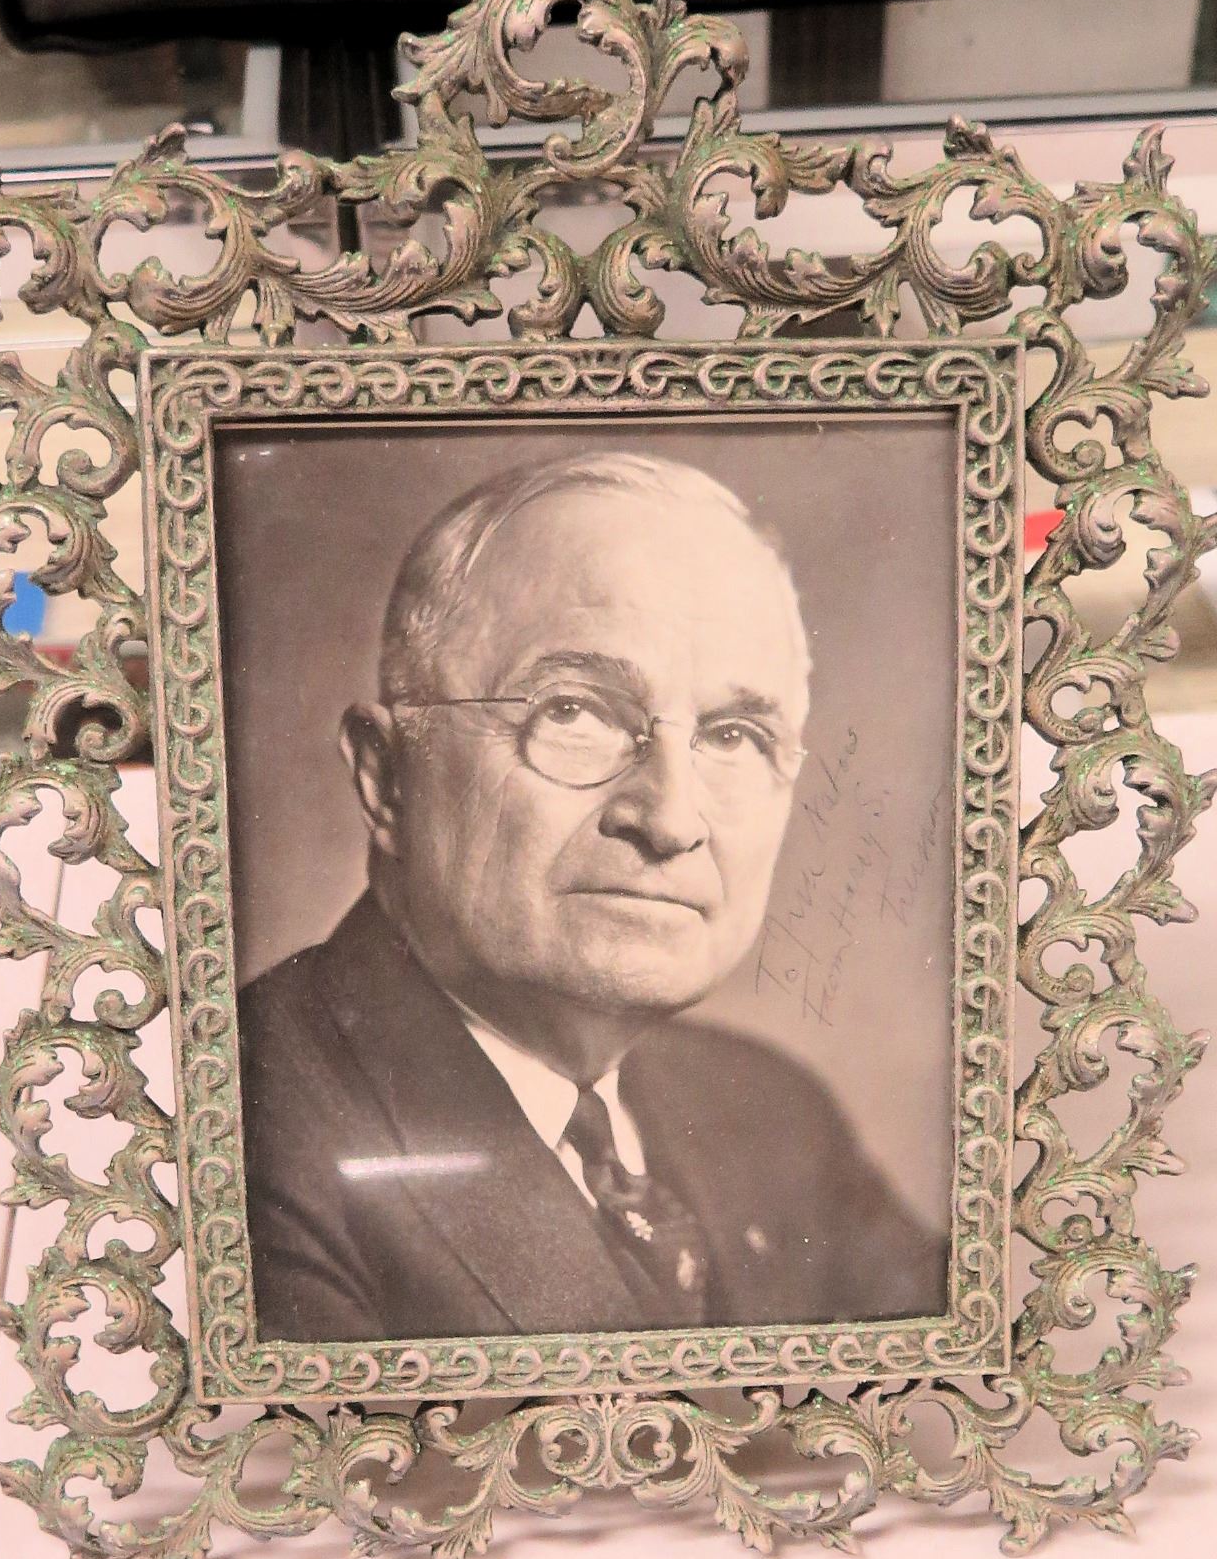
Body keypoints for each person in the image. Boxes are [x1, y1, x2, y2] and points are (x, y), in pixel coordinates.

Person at [239, 451, 946, 1343]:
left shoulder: (774, 1116)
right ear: (389, 780)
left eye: (734, 736)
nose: (672, 819)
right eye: (574, 712)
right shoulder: (250, 1133)